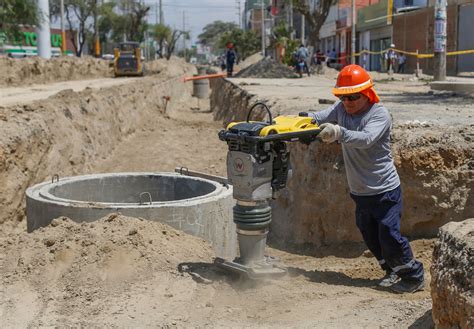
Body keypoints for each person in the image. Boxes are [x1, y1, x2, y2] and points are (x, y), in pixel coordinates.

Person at [309, 65, 425, 294]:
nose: (348, 102)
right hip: (360, 190)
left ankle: (413, 276)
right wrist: (297, 121)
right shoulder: (341, 109)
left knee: (388, 233)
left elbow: (366, 139)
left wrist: (339, 133)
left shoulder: (379, 114)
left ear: (367, 93)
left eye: (353, 97)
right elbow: (317, 118)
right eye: (343, 97)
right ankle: (392, 270)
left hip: (384, 190)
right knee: (369, 234)